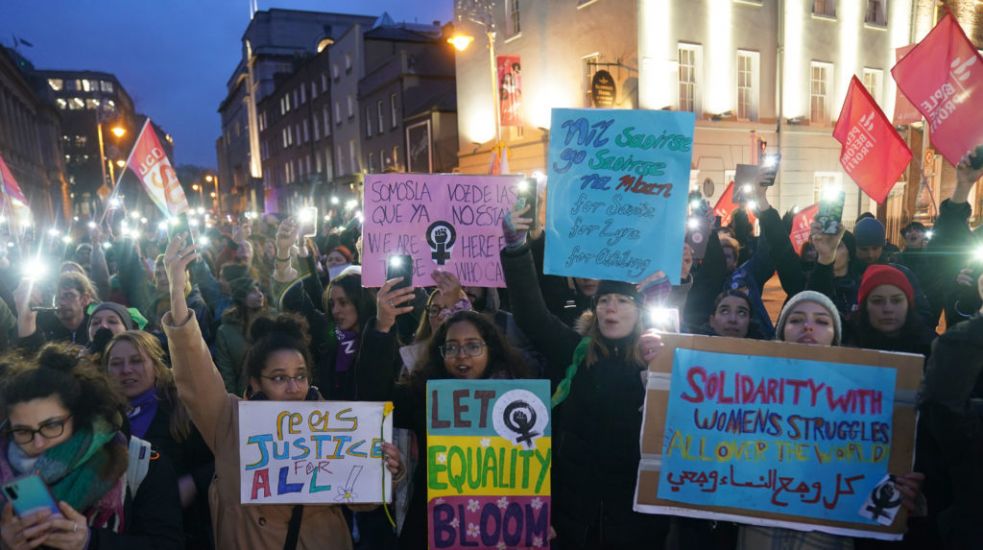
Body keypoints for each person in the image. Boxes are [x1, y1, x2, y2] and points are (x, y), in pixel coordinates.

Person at [160, 234, 403, 549]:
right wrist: (177, 292)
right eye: (278, 378)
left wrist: (386, 471)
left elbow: (362, 502)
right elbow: (195, 372)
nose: (293, 387)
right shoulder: (229, 422)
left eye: (300, 376)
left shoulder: (332, 422)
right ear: (255, 383)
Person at [499, 204, 669, 548]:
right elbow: (532, 315)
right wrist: (517, 249)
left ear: (638, 312)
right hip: (577, 517)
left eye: (622, 300)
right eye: (605, 299)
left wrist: (664, 366)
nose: (611, 307)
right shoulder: (575, 351)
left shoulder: (659, 360)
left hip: (635, 521)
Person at [357, 306, 531, 550]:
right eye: (451, 347)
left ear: (490, 349)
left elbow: (536, 465)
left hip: (498, 526)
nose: (462, 355)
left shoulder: (520, 402)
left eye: (473, 346)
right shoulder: (426, 396)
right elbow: (376, 397)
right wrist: (382, 328)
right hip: (432, 526)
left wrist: (538, 515)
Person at [0, 343, 184, 549]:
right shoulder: (4, 463)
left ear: (80, 417)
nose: (38, 443)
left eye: (51, 426)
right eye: (22, 431)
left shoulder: (141, 463)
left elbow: (168, 544)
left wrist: (89, 541)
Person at [103, 330, 215, 549]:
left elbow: (224, 458)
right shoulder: (98, 416)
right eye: (116, 363)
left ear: (155, 365)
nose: (126, 370)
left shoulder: (183, 410)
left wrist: (192, 482)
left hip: (179, 533)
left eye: (136, 361)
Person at [15, 271, 98, 350]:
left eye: (68, 295)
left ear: (84, 300)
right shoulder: (44, 326)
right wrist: (26, 319)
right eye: (57, 297)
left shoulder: (96, 326)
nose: (61, 302)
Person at [215, 276, 267, 395]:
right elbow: (227, 374)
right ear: (242, 297)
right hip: (244, 395)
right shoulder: (225, 332)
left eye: (260, 291)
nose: (260, 295)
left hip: (274, 394)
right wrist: (234, 402)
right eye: (253, 292)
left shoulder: (271, 322)